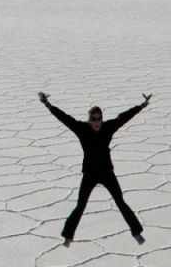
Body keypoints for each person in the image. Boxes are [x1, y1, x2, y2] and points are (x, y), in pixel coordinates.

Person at [38, 91, 151, 247]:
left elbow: (123, 118)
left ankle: (136, 232)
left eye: (99, 118)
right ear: (89, 119)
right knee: (80, 205)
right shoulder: (81, 129)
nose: (97, 121)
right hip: (89, 174)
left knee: (120, 201)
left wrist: (141, 106)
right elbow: (64, 118)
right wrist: (48, 104)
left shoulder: (108, 128)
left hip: (106, 172)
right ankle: (68, 236)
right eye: (94, 119)